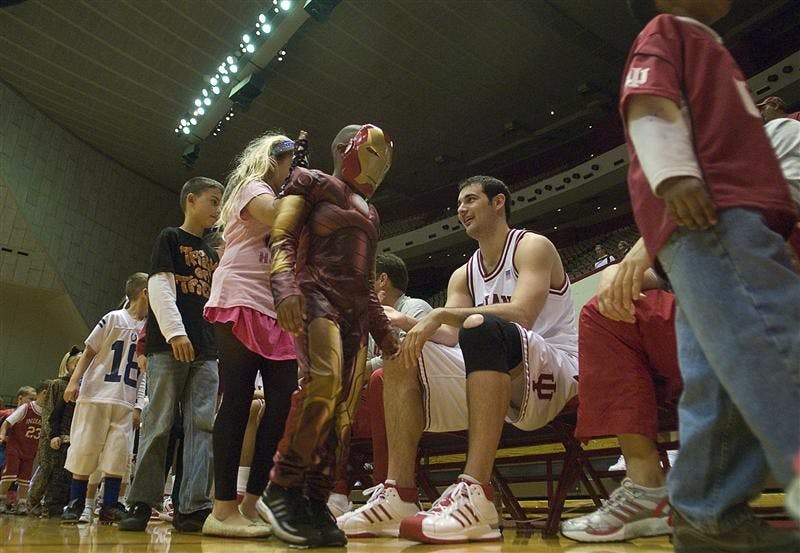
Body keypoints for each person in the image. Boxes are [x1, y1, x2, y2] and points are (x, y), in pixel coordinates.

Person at [620, 1, 799, 551]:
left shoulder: (706, 42)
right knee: (773, 339)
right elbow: (647, 104)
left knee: (716, 376)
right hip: (714, 215)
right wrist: (674, 176)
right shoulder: (669, 32)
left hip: (719, 220)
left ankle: (706, 514)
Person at [339, 175, 579, 544]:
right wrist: (404, 321)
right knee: (401, 351)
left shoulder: (532, 246)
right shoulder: (463, 274)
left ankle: (477, 491)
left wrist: (440, 316)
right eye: (458, 205)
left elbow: (524, 315)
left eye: (470, 200)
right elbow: (449, 334)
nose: (461, 210)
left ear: (498, 202)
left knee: (482, 326)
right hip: (494, 370)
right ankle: (399, 493)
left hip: (553, 369)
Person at [259, 124, 398, 548]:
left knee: (342, 411)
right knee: (322, 385)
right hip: (315, 295)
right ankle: (281, 487)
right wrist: (284, 289)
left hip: (355, 314)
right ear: (345, 148)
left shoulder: (372, 213)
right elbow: (281, 235)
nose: (380, 165)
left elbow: (366, 280)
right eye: (373, 153)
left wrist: (385, 333)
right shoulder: (310, 181)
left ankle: (314, 499)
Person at [201, 132, 299, 538]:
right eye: (290, 160)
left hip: (278, 309)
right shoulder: (251, 188)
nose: (294, 168)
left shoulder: (288, 193)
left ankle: (252, 501)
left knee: (280, 406)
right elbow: (279, 215)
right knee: (239, 399)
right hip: (241, 296)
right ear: (274, 159)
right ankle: (221, 509)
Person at [119, 176, 223, 533]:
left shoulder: (212, 254)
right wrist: (176, 332)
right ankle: (141, 503)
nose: (218, 209)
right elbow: (160, 286)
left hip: (207, 351)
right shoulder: (170, 237)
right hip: (170, 347)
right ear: (190, 200)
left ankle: (193, 506)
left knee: (203, 427)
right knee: (158, 423)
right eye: (213, 200)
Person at [561, 237, 680, 542]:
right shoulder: (674, 207)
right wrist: (624, 270)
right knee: (604, 311)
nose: (462, 209)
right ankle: (646, 487)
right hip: (698, 307)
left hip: (765, 301)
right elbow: (672, 274)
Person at [328, 253, 433, 517]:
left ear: (382, 280)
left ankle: (388, 485)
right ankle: (336, 493)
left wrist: (365, 368)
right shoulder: (370, 316)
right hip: (378, 403)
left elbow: (409, 355)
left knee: (378, 379)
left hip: (420, 397)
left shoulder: (415, 307)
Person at [59, 273, 149, 523]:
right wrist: (75, 381)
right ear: (145, 292)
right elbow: (89, 352)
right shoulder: (113, 318)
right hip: (96, 395)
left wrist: (138, 405)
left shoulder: (150, 329)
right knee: (85, 449)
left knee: (117, 455)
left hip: (125, 399)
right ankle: (75, 503)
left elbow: (143, 373)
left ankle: (110, 505)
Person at [27, 346, 83, 517]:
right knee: (46, 470)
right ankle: (32, 503)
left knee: (63, 473)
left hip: (69, 436)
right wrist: (52, 434)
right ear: (67, 365)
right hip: (51, 435)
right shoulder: (57, 385)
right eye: (76, 364)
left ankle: (55, 506)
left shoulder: (82, 388)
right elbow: (50, 412)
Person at [0, 382, 47, 515]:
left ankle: (21, 503)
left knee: (25, 479)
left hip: (30, 449)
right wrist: (2, 434)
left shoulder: (47, 413)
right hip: (15, 447)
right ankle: (1, 499)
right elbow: (7, 422)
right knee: (9, 475)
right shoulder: (26, 408)